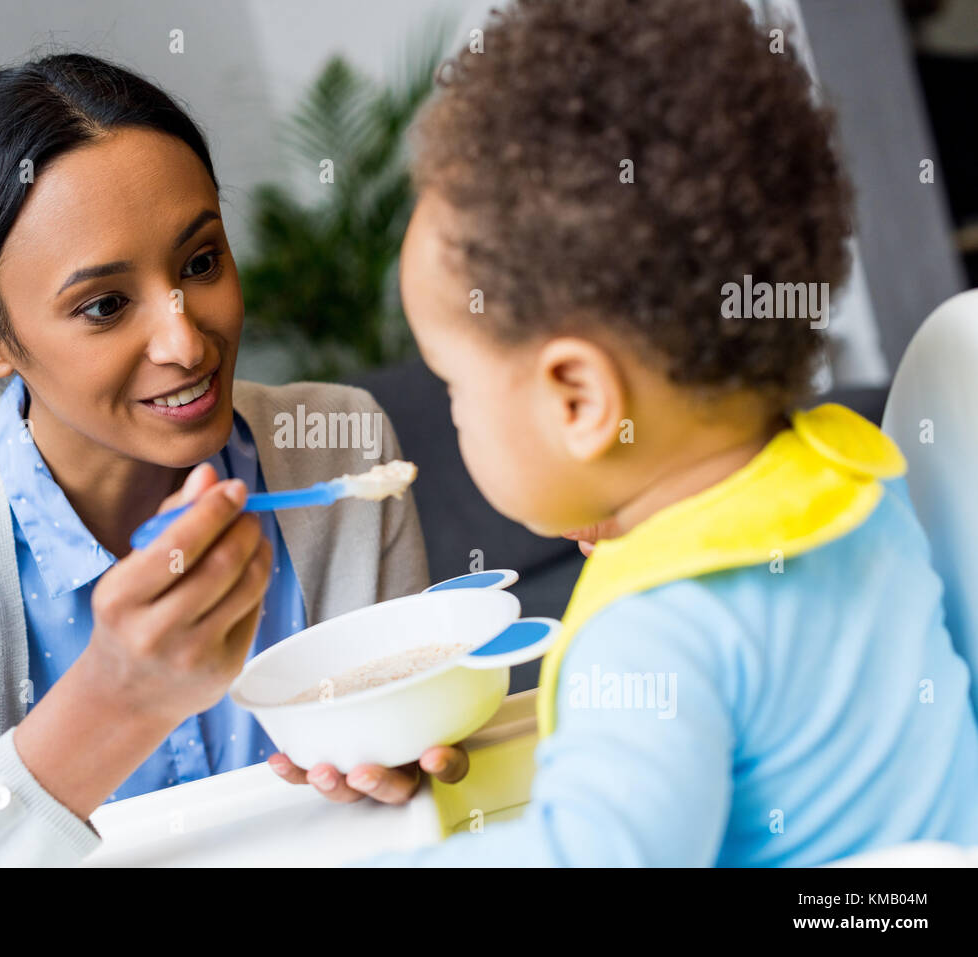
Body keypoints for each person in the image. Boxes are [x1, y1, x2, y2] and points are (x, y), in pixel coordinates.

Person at [0, 54, 455, 867]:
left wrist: (410, 764)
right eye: (104, 305)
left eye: (200, 263)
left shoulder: (338, 446)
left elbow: (415, 775)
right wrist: (107, 705)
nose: (187, 340)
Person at [368, 0, 978, 865]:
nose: (451, 410)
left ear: (577, 400)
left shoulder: (655, 628)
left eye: (453, 383)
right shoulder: (851, 474)